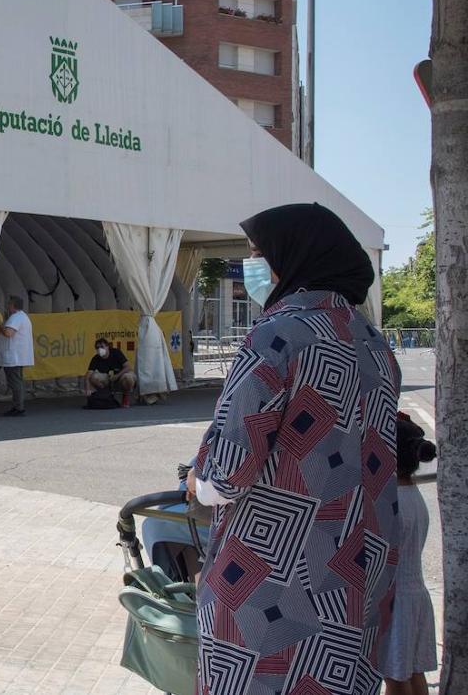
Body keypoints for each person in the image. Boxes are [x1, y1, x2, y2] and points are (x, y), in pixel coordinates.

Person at [187, 203, 400, 694]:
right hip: (353, 582)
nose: (252, 267)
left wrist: (196, 480)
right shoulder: (372, 342)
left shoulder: (277, 334)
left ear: (296, 255)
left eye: (261, 254)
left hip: (272, 585)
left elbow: (229, 470)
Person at [381, 413, 438, 695]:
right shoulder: (414, 496)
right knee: (414, 674)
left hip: (397, 600)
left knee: (395, 678)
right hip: (416, 595)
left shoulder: (390, 503)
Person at [0, 295, 34, 417]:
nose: (7, 307)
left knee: (15, 382)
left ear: (13, 306)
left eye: (9, 304)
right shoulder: (22, 317)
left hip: (13, 356)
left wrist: (0, 327)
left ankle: (18, 407)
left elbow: (8, 333)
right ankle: (18, 405)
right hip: (18, 355)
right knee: (18, 381)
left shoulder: (16, 318)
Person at [84, 338, 137, 407]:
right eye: (97, 348)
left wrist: (117, 376)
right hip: (108, 380)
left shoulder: (116, 352)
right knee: (93, 377)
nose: (99, 349)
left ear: (107, 346)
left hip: (120, 377)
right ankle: (104, 395)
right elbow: (88, 375)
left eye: (102, 347)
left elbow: (127, 367)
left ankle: (125, 396)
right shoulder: (95, 358)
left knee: (128, 377)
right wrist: (88, 389)